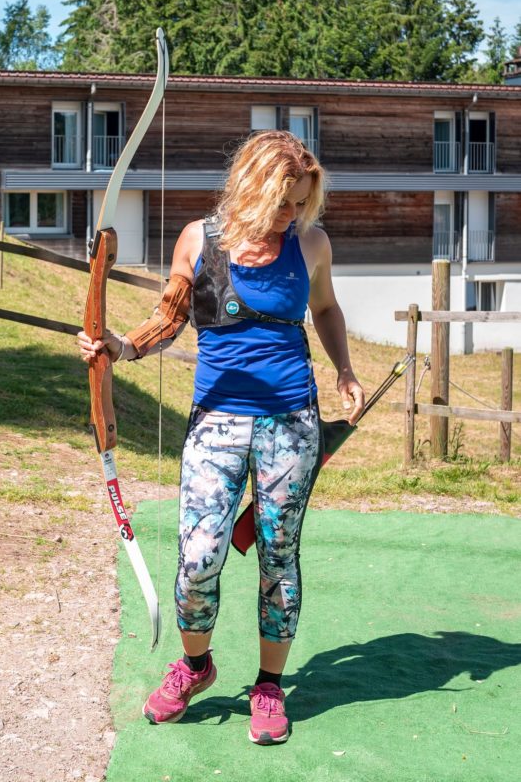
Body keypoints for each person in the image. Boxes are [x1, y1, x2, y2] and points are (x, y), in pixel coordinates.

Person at [77, 130, 364, 744]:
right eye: (284, 201)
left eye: (301, 203)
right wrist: (118, 347)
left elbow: (327, 309)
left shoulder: (311, 244)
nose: (293, 215)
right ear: (255, 187)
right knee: (200, 556)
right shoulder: (200, 240)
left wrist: (343, 367)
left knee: (276, 554)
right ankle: (196, 665)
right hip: (217, 420)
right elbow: (169, 316)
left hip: (291, 421)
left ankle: (268, 685)